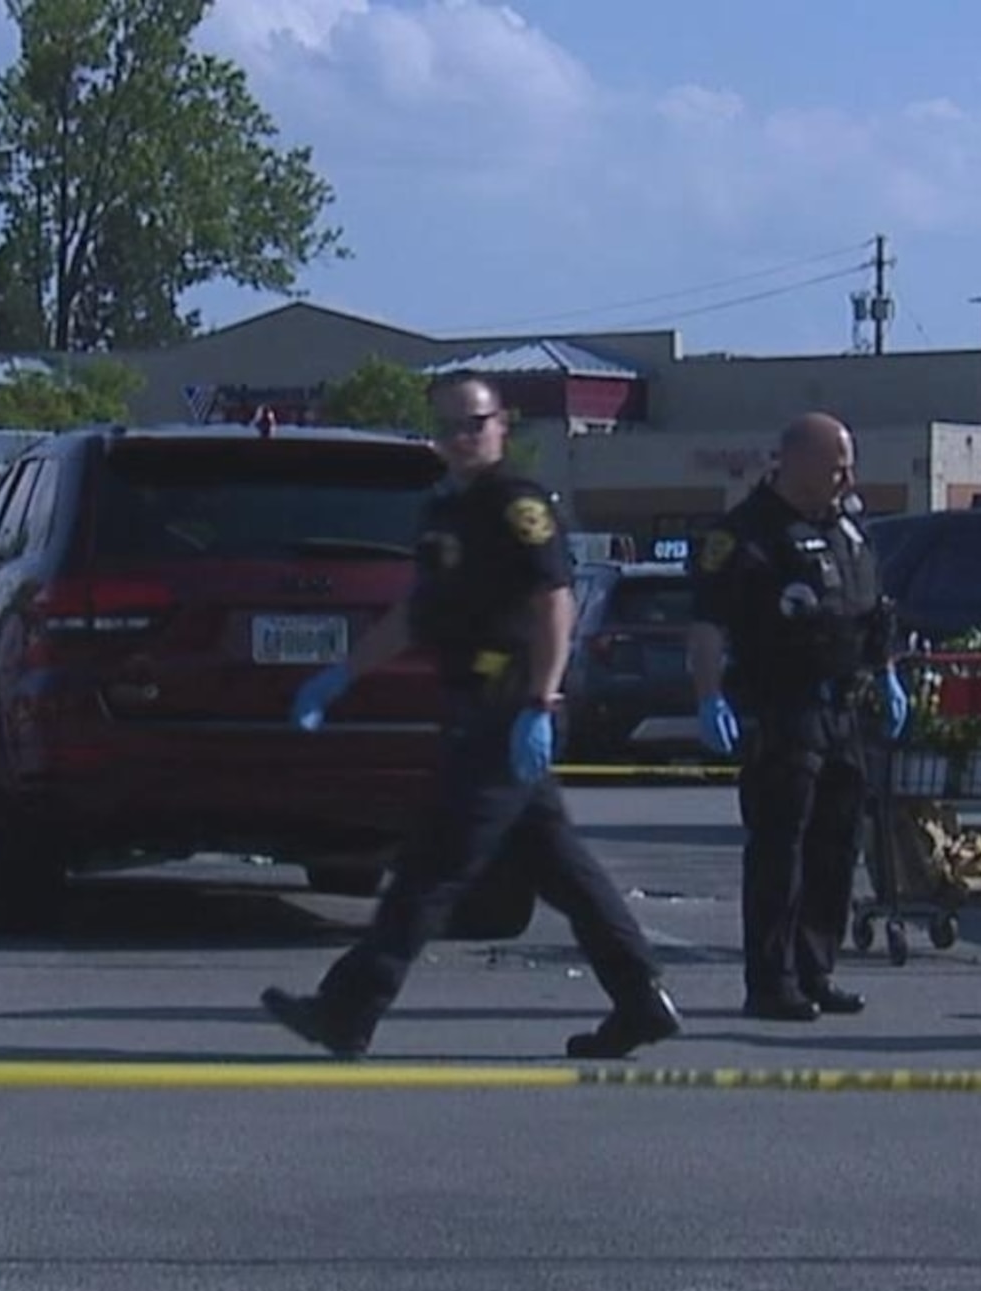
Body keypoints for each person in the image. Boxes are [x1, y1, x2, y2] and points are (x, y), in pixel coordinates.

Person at [262, 371, 682, 1061]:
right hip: (471, 707)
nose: (462, 438)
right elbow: (413, 613)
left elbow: (555, 601)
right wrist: (340, 676)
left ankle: (347, 1008)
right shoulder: (444, 510)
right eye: (449, 426)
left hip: (509, 709)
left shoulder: (516, 505)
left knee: (432, 867)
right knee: (562, 868)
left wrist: (541, 701)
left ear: (501, 426)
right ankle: (640, 998)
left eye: (475, 423)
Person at [687, 413, 909, 1021]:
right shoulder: (746, 535)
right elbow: (708, 622)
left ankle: (817, 970)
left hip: (845, 710)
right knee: (780, 849)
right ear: (798, 461)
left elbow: (871, 614)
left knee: (837, 846)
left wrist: (886, 673)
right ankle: (772, 981)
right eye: (838, 465)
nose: (848, 477)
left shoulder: (848, 528)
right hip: (780, 707)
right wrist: (710, 697)